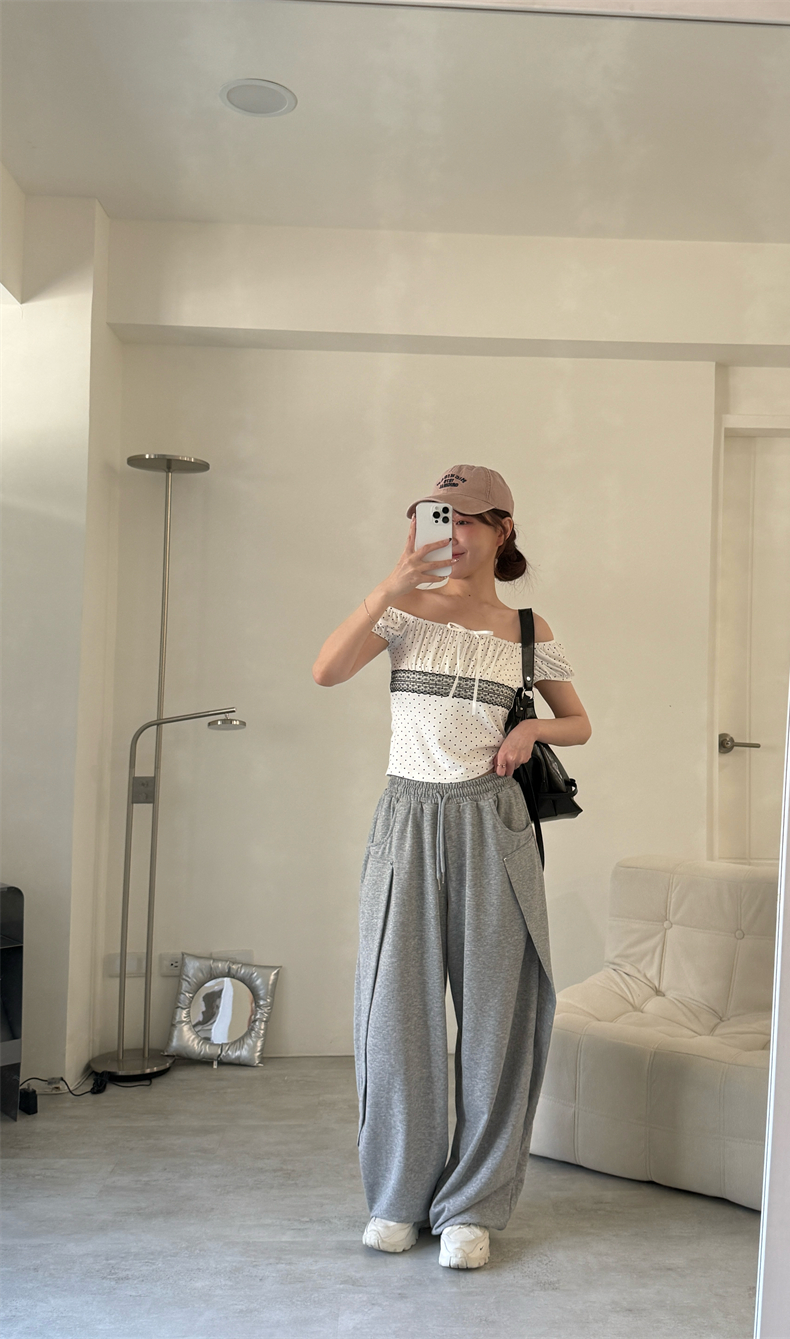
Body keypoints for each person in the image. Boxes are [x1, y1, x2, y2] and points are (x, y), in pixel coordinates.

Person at [312, 465, 591, 1270]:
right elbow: (327, 670)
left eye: (469, 518)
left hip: (492, 823)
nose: (454, 532)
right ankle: (399, 1195)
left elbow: (578, 722)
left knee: (498, 1018)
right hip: (406, 818)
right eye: (441, 517)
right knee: (394, 1013)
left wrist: (530, 730)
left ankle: (471, 1204)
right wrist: (388, 585)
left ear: (504, 528)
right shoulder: (403, 612)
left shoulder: (528, 628)